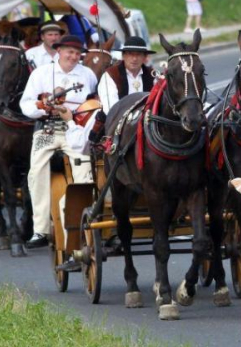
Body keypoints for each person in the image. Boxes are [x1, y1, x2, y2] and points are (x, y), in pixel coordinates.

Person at [20, 35, 98, 249]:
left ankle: (82, 219)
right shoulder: (41, 73)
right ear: (59, 51)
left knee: (85, 169)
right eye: (69, 52)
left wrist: (77, 114)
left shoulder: (88, 74)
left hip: (76, 130)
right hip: (48, 129)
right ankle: (41, 229)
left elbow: (94, 102)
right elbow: (26, 104)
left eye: (76, 53)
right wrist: (43, 107)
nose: (73, 57)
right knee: (36, 170)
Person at [97, 36, 155, 111]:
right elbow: (111, 108)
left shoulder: (152, 75)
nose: (134, 59)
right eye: (130, 54)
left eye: (138, 54)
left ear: (144, 57)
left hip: (147, 119)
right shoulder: (111, 75)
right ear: (123, 56)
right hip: (116, 120)